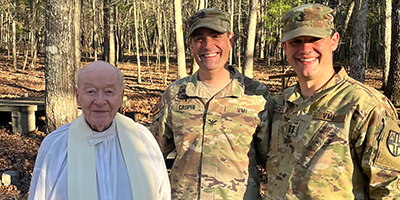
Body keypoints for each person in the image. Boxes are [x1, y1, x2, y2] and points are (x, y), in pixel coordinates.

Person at [262, 3, 400, 199]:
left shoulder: (366, 105)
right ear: (284, 46)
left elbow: (390, 190)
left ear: (334, 41)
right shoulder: (278, 105)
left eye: (315, 39)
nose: (305, 49)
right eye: (296, 41)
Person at [150, 8, 272, 200]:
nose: (208, 45)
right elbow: (152, 153)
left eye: (216, 36)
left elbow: (273, 162)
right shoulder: (175, 94)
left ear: (230, 40)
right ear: (191, 45)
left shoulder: (256, 95)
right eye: (199, 39)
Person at [28, 61, 170, 200]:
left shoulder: (141, 139)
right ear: (78, 97)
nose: (100, 101)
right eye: (91, 91)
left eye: (109, 92)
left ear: (121, 96)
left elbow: (163, 193)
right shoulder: (55, 145)